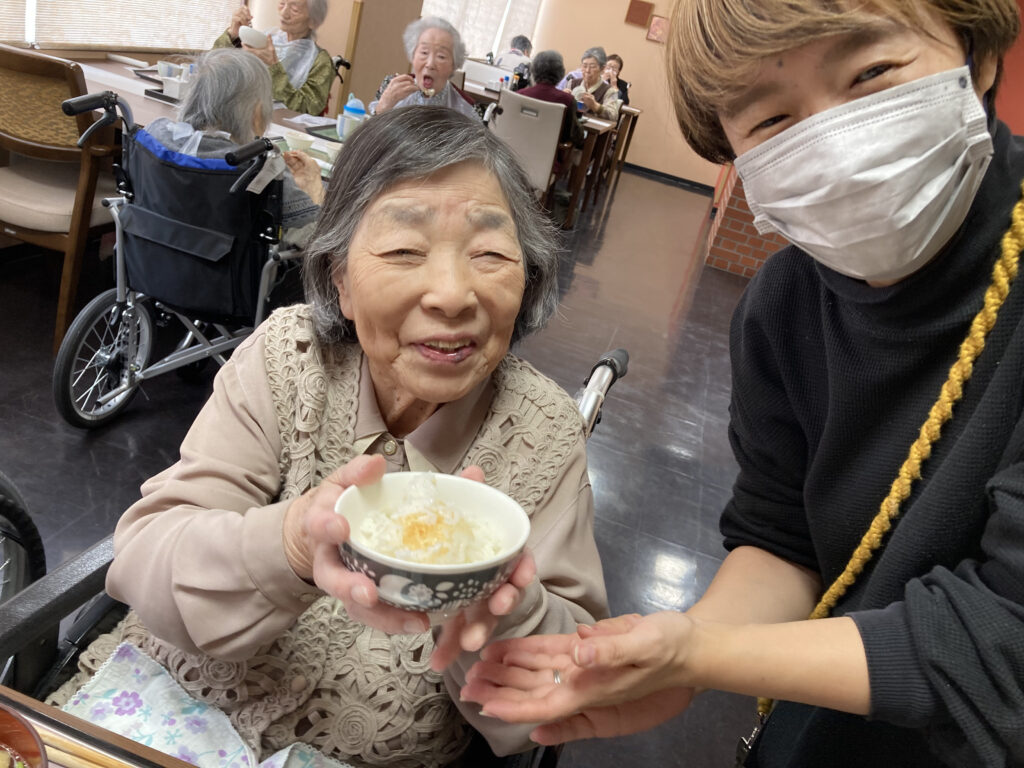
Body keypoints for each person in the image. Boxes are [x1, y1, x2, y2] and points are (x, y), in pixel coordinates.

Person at [461, 1, 1024, 766]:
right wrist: (686, 647)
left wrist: (707, 657)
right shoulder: (785, 305)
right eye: (772, 120)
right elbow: (785, 541)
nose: (836, 145)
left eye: (873, 73)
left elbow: (1005, 637)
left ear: (977, 55)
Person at [49, 106, 608, 768]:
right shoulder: (289, 358)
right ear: (340, 279)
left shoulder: (543, 432)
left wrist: (503, 612)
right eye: (404, 251)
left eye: (489, 254)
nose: (453, 295)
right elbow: (148, 561)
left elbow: (563, 689)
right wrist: (289, 543)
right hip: (156, 718)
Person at [144, 48, 322, 246]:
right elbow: (316, 245)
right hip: (228, 265)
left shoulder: (154, 135)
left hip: (149, 258)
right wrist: (314, 190)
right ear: (256, 113)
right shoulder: (264, 168)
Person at [214, 0, 332, 115]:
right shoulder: (262, 39)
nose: (284, 13)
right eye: (282, 3)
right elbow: (215, 72)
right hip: (241, 117)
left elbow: (309, 109)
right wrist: (232, 34)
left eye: (295, 9)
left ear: (313, 21)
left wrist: (274, 67)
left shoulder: (320, 60)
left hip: (280, 124)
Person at [370, 17, 477, 119]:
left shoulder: (467, 108)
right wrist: (382, 108)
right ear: (413, 55)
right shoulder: (391, 85)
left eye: (441, 56)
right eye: (424, 52)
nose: (430, 64)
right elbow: (369, 130)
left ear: (454, 65)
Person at [517, 50, 584, 148]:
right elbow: (573, 135)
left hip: (515, 150)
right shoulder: (567, 100)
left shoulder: (520, 94)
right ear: (561, 73)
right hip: (549, 153)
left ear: (533, 71)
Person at [565, 47, 620, 121]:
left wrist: (595, 106)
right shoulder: (572, 83)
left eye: (592, 67)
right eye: (584, 66)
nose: (587, 70)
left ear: (602, 69)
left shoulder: (609, 91)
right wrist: (562, 98)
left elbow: (613, 116)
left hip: (591, 128)